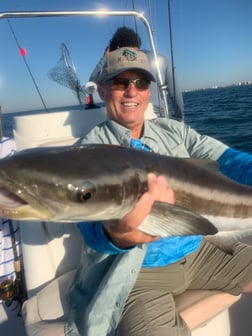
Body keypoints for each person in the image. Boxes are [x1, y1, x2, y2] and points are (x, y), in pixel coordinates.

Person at [65, 48, 252, 336]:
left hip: (200, 249)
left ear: (149, 92)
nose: (131, 91)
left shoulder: (173, 131)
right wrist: (116, 234)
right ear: (102, 89)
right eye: (120, 82)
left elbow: (224, 158)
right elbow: (86, 224)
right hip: (138, 274)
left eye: (140, 83)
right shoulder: (89, 151)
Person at [88, 26, 184, 120]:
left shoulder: (113, 62)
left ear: (117, 48)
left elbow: (92, 85)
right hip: (160, 118)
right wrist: (180, 119)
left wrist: (105, 57)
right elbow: (175, 94)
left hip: (126, 118)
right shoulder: (161, 59)